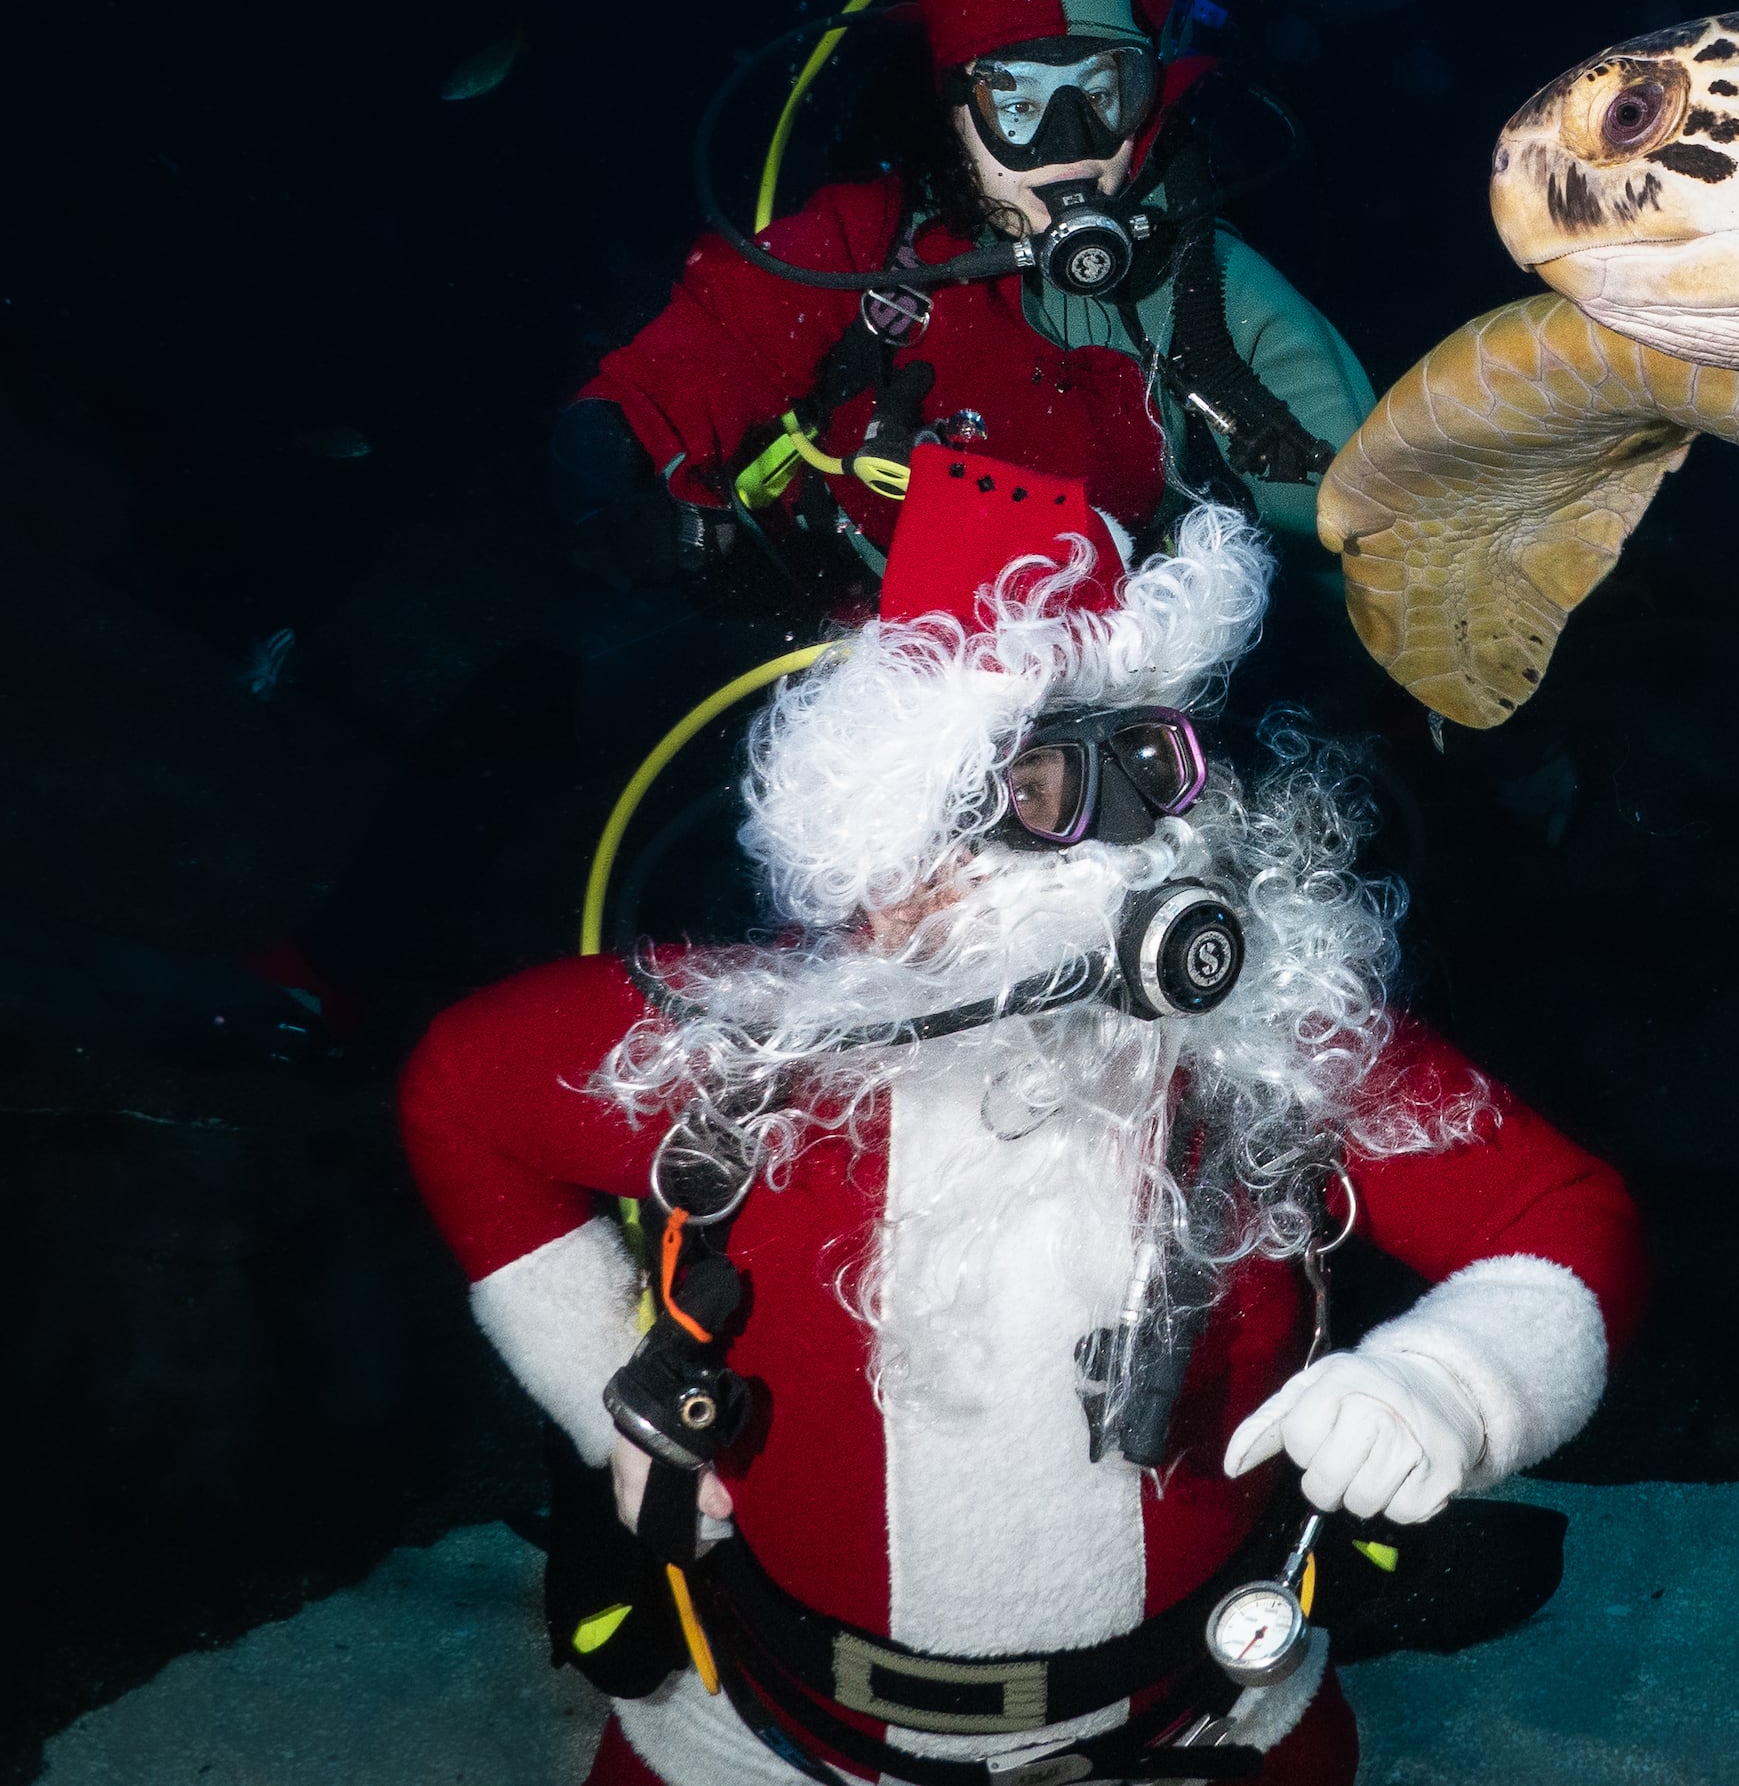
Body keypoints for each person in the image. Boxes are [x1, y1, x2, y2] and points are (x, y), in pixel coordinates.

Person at [404, 451, 1641, 1781]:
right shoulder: (732, 1054)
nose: (1125, 850)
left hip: (1212, 1724)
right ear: (888, 841)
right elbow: (462, 1098)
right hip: (754, 1739)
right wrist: (616, 1402)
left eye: (1153, 767)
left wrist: (1450, 1385)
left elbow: (1563, 1214)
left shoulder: (1274, 1038)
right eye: (1047, 789)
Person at [559, 0, 1374, 621]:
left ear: (1147, 101)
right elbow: (714, 343)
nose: (1067, 152)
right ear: (954, 115)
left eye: (1100, 97)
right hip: (859, 637)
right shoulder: (863, 247)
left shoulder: (1201, 285)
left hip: (1108, 661)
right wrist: (611, 450)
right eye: (1015, 102)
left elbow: (1357, 503)